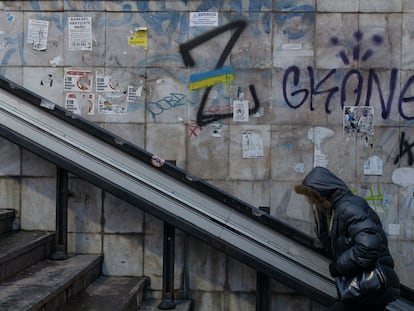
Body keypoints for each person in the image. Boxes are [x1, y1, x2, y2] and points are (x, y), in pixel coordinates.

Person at [294, 167, 400, 311]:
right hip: (370, 286)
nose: (313, 204)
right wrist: (322, 221)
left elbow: (369, 246)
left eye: (314, 199)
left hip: (372, 284)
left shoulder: (348, 207)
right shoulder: (339, 209)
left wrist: (338, 266)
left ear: (324, 195)